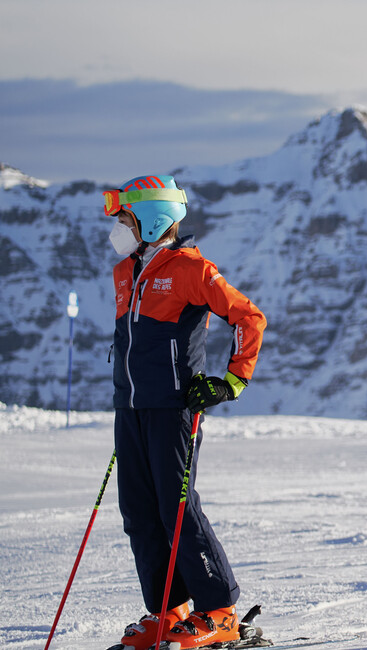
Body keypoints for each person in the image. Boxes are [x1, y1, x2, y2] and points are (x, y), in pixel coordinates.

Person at [105, 175, 267, 648]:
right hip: (131, 409)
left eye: (126, 218)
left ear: (153, 221)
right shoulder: (126, 272)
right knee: (139, 512)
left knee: (177, 510)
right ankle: (168, 612)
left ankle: (219, 611)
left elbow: (248, 317)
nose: (119, 227)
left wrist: (232, 379)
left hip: (173, 411)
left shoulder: (191, 269)